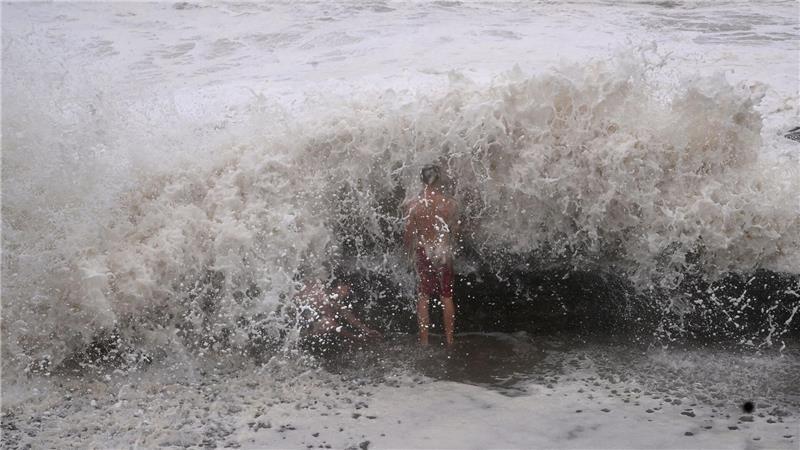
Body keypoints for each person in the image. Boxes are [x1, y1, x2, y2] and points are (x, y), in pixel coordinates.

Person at [403, 164, 459, 346]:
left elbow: (408, 234)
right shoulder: (449, 204)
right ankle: (450, 340)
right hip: (443, 251)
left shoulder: (413, 205)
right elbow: (455, 232)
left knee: (423, 296)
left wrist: (407, 253)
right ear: (439, 179)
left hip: (423, 250)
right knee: (447, 296)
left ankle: (424, 341)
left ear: (421, 179)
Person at [295, 279, 381, 354]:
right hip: (299, 330)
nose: (348, 291)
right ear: (339, 285)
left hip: (307, 321)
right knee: (327, 324)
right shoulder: (320, 294)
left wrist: (366, 330)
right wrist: (357, 337)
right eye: (347, 287)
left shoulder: (331, 296)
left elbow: (345, 313)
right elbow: (330, 324)